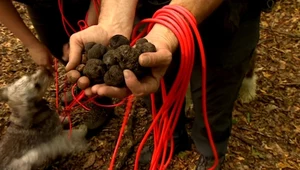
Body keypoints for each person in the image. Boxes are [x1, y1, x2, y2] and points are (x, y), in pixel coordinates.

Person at [0, 0, 274, 169]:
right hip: (152, 7)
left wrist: (169, 27)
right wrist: (113, 20)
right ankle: (171, 136)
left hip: (230, 13)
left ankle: (210, 151)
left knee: (216, 91)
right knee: (154, 78)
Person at [0, 0, 113, 134]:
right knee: (59, 49)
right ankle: (86, 86)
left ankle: (101, 99)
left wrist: (90, 25)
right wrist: (32, 45)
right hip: (40, 6)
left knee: (87, 50)